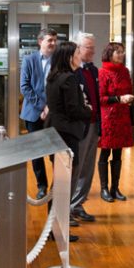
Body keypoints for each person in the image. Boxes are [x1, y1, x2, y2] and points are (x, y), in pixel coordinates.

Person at [45, 41, 91, 243]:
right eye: (78, 52)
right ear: (69, 57)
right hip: (67, 133)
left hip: (56, 131)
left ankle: (53, 225)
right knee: (64, 182)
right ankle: (58, 228)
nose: (81, 55)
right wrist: (88, 110)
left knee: (59, 181)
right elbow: (73, 110)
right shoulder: (69, 79)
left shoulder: (54, 77)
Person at [20, 28, 57, 199]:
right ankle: (41, 185)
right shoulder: (29, 60)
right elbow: (25, 87)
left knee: (55, 152)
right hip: (33, 113)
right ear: (40, 41)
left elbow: (61, 86)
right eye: (49, 40)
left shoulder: (58, 61)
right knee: (36, 153)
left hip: (54, 114)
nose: (53, 43)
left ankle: (56, 186)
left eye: (54, 40)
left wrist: (50, 107)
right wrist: (42, 107)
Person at [97, 42, 134, 202]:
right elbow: (100, 98)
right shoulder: (102, 72)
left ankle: (115, 188)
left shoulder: (125, 71)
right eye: (117, 52)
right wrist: (119, 98)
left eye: (122, 52)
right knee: (105, 152)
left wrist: (129, 99)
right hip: (108, 117)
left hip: (122, 116)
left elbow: (130, 90)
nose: (121, 54)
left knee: (118, 153)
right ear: (109, 54)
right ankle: (104, 189)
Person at [70, 33, 101, 223]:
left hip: (93, 125)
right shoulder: (72, 72)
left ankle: (77, 204)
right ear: (78, 49)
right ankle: (65, 208)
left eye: (93, 47)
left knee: (88, 169)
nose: (93, 51)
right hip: (78, 128)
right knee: (75, 168)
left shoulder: (94, 71)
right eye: (89, 47)